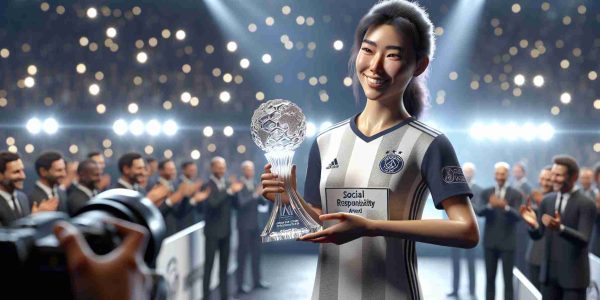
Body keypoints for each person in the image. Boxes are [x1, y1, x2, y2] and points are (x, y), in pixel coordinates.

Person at [261, 1, 479, 299]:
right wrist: (291, 201)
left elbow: (467, 231)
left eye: (392, 55)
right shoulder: (325, 141)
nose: (375, 66)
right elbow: (318, 223)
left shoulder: (429, 143)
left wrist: (371, 227)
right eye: (368, 49)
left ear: (419, 65)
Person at [520, 155, 596, 299]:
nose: (553, 178)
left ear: (573, 177)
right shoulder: (547, 201)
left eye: (559, 175)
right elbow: (539, 234)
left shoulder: (586, 204)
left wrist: (560, 229)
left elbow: (584, 239)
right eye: (553, 174)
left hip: (574, 279)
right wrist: (533, 225)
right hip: (549, 277)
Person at [477, 162, 523, 300]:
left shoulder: (515, 194)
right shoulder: (486, 192)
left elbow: (519, 216)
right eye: (497, 173)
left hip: (508, 243)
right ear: (493, 175)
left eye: (502, 173)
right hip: (490, 243)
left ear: (507, 175)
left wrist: (505, 208)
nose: (500, 176)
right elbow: (479, 211)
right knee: (489, 279)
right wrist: (491, 205)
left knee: (508, 280)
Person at [202, 157, 243, 300]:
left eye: (223, 167)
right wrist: (230, 191)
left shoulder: (227, 184)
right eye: (219, 167)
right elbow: (213, 203)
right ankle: (206, 296)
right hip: (212, 232)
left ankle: (224, 296)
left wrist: (235, 192)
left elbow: (237, 206)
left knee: (224, 267)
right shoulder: (206, 185)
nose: (222, 169)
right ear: (212, 168)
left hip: (226, 231)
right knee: (209, 266)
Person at [235, 161, 268, 297]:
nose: (250, 171)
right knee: (242, 256)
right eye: (248, 169)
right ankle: (240, 284)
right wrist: (255, 194)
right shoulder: (238, 185)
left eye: (252, 169)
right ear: (243, 170)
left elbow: (263, 202)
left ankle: (257, 281)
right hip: (243, 226)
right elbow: (240, 203)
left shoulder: (255, 184)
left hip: (255, 225)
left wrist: (261, 193)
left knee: (257, 255)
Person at [448, 162, 481, 298]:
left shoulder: (478, 189)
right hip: (455, 231)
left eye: (469, 171)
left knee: (471, 261)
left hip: (471, 230)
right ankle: (455, 289)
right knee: (455, 261)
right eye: (465, 171)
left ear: (473, 173)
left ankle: (472, 290)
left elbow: (479, 209)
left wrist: (464, 206)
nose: (467, 174)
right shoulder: (454, 187)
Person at [525, 166, 553, 290]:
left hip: (553, 257)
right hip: (535, 253)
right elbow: (532, 226)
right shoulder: (534, 196)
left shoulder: (560, 198)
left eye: (548, 179)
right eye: (542, 179)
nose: (544, 182)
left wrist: (542, 204)